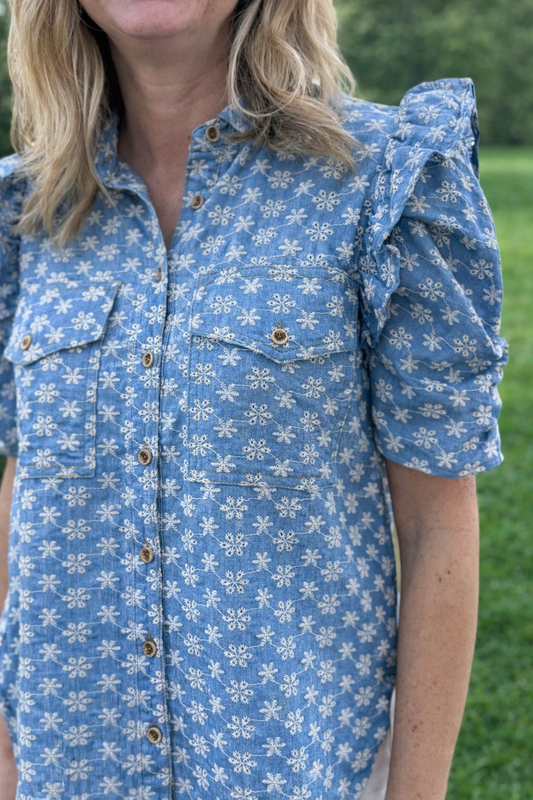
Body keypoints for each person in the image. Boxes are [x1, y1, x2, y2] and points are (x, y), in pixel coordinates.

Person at [0, 0, 508, 798]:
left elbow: (435, 523)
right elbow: (28, 481)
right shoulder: (28, 209)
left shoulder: (381, 180)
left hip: (293, 769)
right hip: (71, 765)